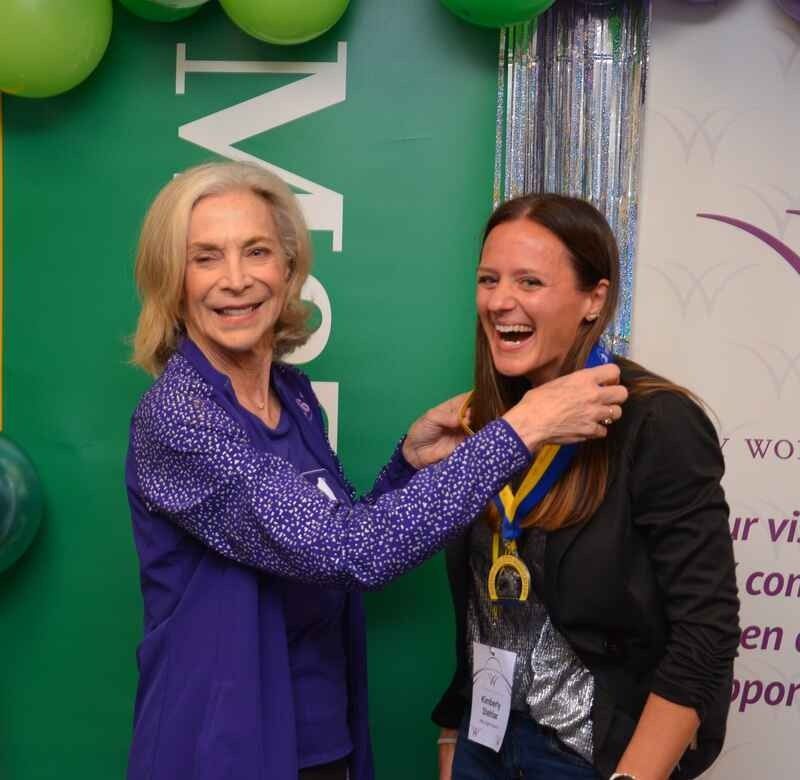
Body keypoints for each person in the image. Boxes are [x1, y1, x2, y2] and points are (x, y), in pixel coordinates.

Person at [125, 162, 628, 780]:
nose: (236, 280)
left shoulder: (292, 393)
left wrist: (407, 465)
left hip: (319, 739)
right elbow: (349, 551)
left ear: (287, 269)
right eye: (205, 258)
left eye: (255, 251)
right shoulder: (180, 416)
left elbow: (333, 535)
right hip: (225, 747)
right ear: (171, 280)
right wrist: (521, 429)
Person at [433, 194, 740, 780]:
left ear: (593, 299)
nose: (501, 302)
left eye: (530, 281)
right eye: (488, 279)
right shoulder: (490, 423)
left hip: (592, 761)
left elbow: (707, 630)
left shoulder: (658, 422)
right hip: (485, 744)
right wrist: (455, 747)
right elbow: (486, 606)